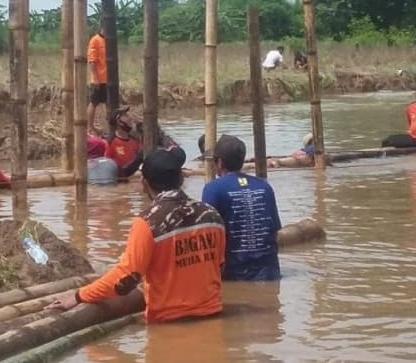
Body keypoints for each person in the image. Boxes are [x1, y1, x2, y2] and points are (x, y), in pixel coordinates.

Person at [46, 146, 226, 323]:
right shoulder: (212, 215)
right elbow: (219, 266)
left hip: (169, 322)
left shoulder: (147, 222)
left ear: (144, 183)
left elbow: (125, 279)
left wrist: (78, 296)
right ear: (181, 178)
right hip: (213, 315)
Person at [202, 134, 282, 281]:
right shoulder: (264, 186)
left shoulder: (212, 189)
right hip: (270, 272)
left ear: (219, 163)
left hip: (234, 275)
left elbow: (208, 237)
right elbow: (274, 232)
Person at [105, 106, 143, 178]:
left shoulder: (136, 140)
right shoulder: (110, 143)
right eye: (125, 116)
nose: (130, 118)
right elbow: (107, 167)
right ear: (119, 122)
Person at [87, 26, 107, 135]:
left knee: (109, 103)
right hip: (99, 79)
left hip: (109, 79)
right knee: (94, 102)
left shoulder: (109, 40)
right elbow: (92, 61)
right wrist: (95, 78)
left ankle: (109, 127)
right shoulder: (95, 40)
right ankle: (90, 127)